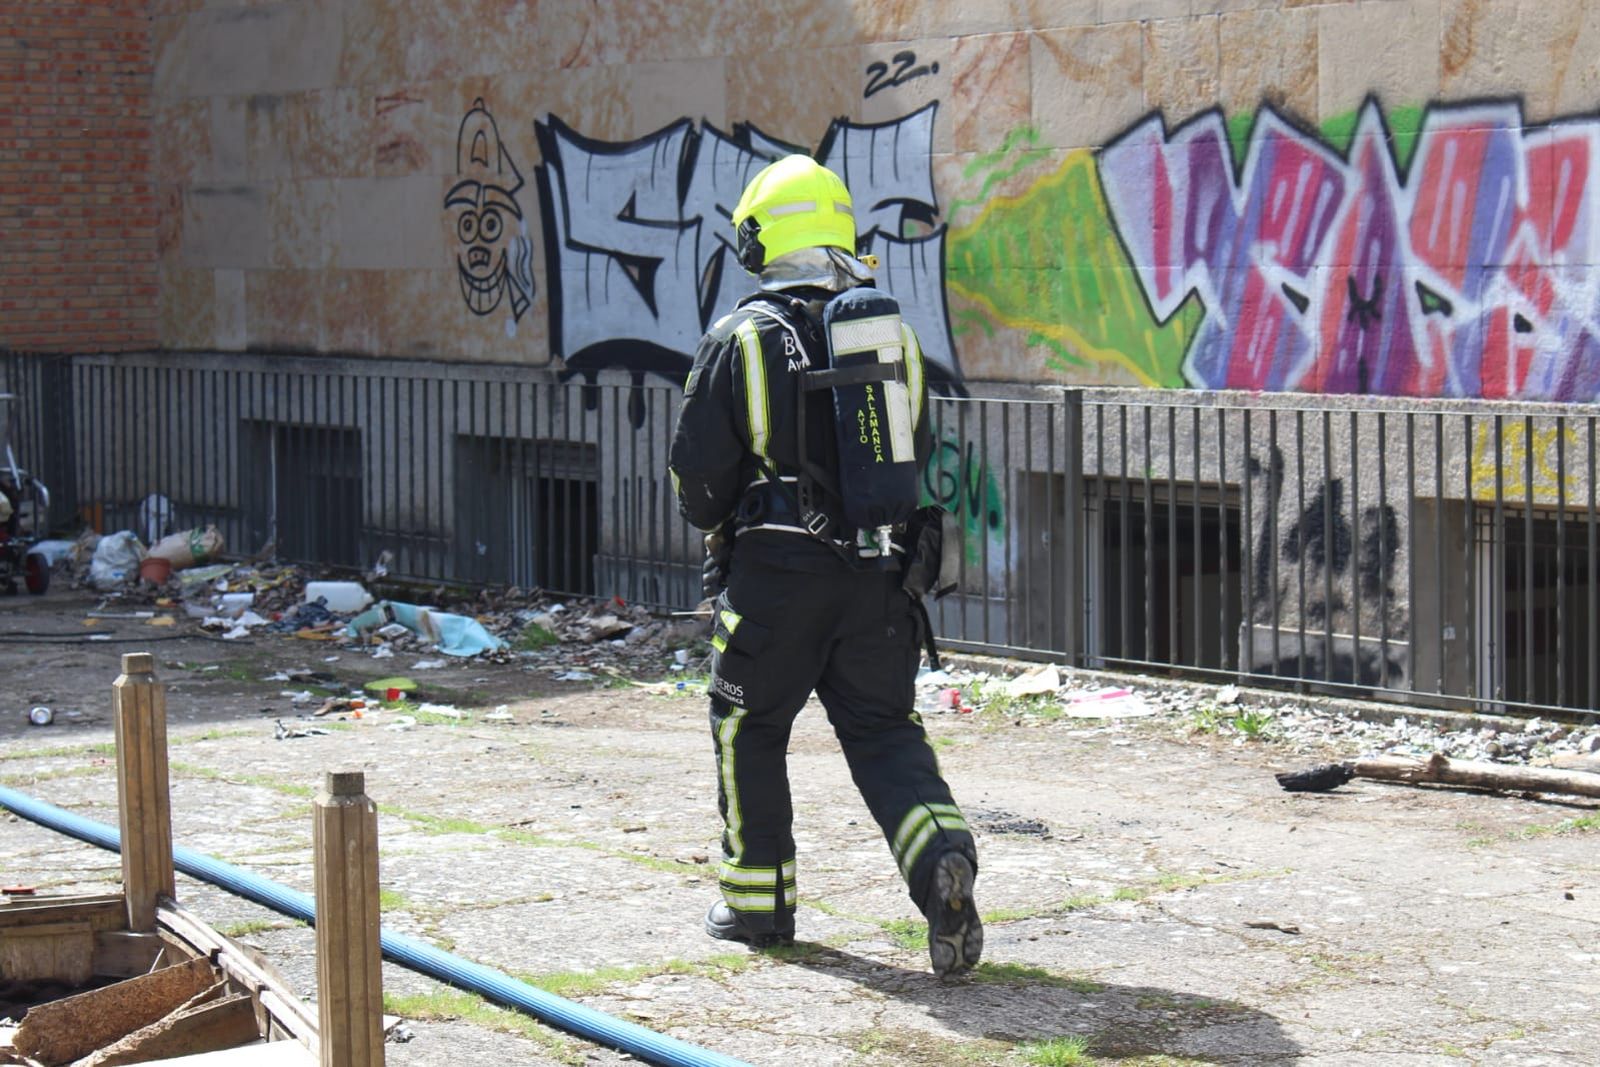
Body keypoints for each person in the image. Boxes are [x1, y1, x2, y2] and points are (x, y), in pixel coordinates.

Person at [668, 154, 982, 978]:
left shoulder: (740, 336)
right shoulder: (895, 339)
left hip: (777, 577)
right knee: (883, 731)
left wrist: (724, 518)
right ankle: (941, 858)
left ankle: (757, 903)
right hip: (880, 579)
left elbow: (699, 481)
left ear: (761, 238)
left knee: (750, 725)